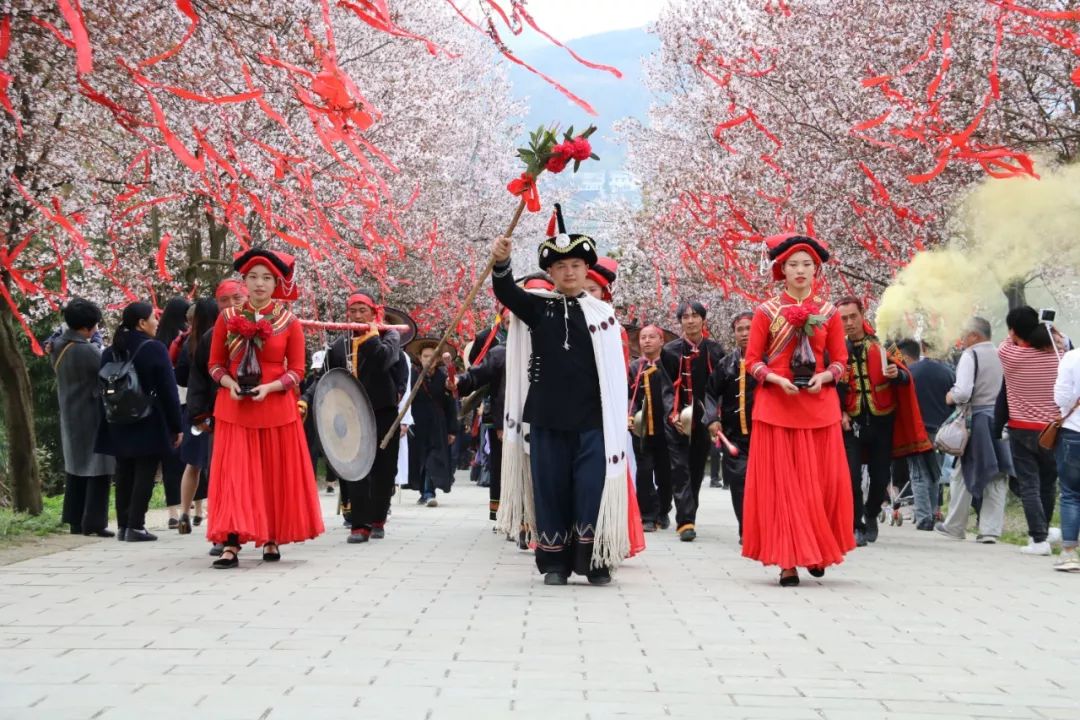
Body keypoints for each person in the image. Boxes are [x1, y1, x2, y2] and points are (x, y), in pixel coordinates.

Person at [491, 203, 630, 585]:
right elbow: (505, 291)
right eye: (561, 267)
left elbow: (616, 376)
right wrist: (501, 263)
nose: (569, 273)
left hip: (593, 419)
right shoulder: (538, 308)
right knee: (550, 489)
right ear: (550, 274)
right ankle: (555, 563)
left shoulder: (603, 314)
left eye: (576, 266)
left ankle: (596, 562)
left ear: (588, 271)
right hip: (548, 415)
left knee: (592, 490)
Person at [742, 233, 852, 587]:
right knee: (783, 487)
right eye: (793, 265)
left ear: (816, 270)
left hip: (819, 405)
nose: (800, 270)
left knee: (823, 484)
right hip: (777, 405)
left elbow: (841, 361)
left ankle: (818, 549)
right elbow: (751, 361)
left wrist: (824, 377)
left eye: (807, 264)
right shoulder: (765, 312)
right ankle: (787, 562)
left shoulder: (829, 313)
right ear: (781, 270)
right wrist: (774, 380)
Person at [206, 248, 325, 568]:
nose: (259, 284)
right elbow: (215, 365)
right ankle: (230, 542)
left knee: (272, 474)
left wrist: (270, 387)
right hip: (234, 408)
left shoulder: (290, 323)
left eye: (267, 278)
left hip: (275, 405)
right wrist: (230, 385)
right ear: (243, 281)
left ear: (276, 284)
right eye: (253, 277)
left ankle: (271, 537)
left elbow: (298, 371)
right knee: (235, 475)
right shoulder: (227, 318)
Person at [302, 290, 403, 544]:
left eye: (362, 310)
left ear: (373, 313)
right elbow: (324, 377)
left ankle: (378, 519)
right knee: (356, 468)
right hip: (352, 415)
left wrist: (370, 338)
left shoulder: (388, 336)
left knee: (384, 468)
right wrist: (306, 398)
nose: (357, 315)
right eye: (353, 311)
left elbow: (385, 360)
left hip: (383, 412)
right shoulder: (339, 345)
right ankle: (359, 524)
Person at [837, 297, 930, 546]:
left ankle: (871, 512)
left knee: (880, 477)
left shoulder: (885, 345)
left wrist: (897, 374)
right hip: (851, 423)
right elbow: (831, 386)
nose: (849, 323)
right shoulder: (835, 349)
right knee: (851, 476)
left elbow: (905, 375)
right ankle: (855, 525)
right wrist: (840, 411)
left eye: (852, 316)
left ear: (862, 314)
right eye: (843, 318)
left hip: (882, 421)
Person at [95, 301, 183, 542]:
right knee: (145, 470)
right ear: (142, 323)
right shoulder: (154, 349)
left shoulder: (109, 351)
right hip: (148, 419)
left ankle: (124, 525)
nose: (157, 321)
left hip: (117, 419)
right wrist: (176, 426)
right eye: (153, 317)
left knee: (124, 471)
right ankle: (136, 525)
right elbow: (168, 390)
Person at [935, 317, 1012, 543]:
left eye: (964, 334)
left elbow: (963, 392)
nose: (962, 339)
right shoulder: (1002, 354)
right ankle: (990, 530)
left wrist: (950, 395)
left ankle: (955, 526)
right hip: (1001, 419)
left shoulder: (971, 355)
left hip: (977, 420)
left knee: (963, 472)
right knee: (997, 475)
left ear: (975, 336)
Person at [998, 306, 1061, 555]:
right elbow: (1061, 340)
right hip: (1052, 430)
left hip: (1020, 429)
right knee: (1048, 482)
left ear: (1013, 331)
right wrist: (1048, 330)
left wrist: (1019, 330)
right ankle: (1043, 529)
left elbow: (1008, 340)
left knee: (1029, 485)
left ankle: (1038, 539)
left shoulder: (1009, 355)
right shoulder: (1057, 354)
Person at [52, 298, 115, 538]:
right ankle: (94, 522)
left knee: (75, 468)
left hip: (68, 412)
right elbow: (105, 371)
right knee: (98, 467)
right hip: (91, 413)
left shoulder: (57, 345)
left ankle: (75, 520)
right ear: (88, 327)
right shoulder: (88, 350)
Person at [663, 300, 724, 541]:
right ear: (680, 322)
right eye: (685, 317)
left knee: (697, 467)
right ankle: (685, 521)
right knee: (679, 468)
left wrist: (715, 417)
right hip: (677, 417)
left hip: (703, 418)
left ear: (702, 319)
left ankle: (690, 515)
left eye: (694, 315)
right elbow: (666, 387)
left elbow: (719, 387)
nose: (690, 320)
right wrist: (672, 413)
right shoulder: (670, 351)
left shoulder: (715, 350)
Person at [704, 311, 757, 542]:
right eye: (740, 329)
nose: (745, 333)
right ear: (734, 334)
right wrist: (712, 418)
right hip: (734, 437)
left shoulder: (769, 362)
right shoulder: (726, 364)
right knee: (738, 482)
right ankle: (746, 530)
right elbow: (710, 393)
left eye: (749, 328)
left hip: (764, 434)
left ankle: (762, 527)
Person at [453, 317, 508, 523]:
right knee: (500, 465)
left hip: (535, 418)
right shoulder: (492, 344)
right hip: (499, 412)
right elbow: (478, 372)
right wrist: (459, 382)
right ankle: (502, 514)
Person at [897, 339, 954, 529]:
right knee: (934, 474)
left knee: (919, 474)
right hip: (942, 432)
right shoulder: (948, 372)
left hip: (917, 430)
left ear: (923, 347)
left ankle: (923, 518)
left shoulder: (912, 372)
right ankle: (932, 512)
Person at [174, 298, 219, 534]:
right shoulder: (220, 340)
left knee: (193, 465)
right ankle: (217, 513)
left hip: (195, 410)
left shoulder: (188, 344)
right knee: (218, 465)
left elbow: (180, 377)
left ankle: (184, 512)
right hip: (217, 409)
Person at [628, 325, 678, 533]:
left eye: (652, 337)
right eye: (643, 337)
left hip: (665, 429)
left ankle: (663, 510)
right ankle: (647, 515)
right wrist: (629, 415)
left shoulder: (670, 365)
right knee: (644, 470)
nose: (647, 341)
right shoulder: (633, 368)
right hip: (641, 429)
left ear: (661, 340)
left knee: (665, 472)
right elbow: (629, 397)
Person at [406, 339, 458, 507]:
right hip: (417, 424)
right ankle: (423, 491)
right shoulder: (412, 377)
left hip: (438, 425)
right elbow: (406, 402)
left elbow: (451, 406)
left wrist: (452, 430)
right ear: (419, 358)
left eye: (432, 356)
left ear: (437, 360)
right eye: (425, 356)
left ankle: (430, 492)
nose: (429, 359)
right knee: (420, 458)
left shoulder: (444, 379)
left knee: (433, 459)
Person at [156, 296, 190, 529]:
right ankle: (192, 507)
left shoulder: (157, 340)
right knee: (189, 457)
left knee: (169, 459)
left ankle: (172, 512)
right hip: (186, 400)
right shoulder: (186, 339)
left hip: (164, 403)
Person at [1052, 345, 1080, 571]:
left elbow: (1061, 398)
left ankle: (1070, 553)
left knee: (1071, 493)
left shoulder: (1072, 358)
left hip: (1074, 431)